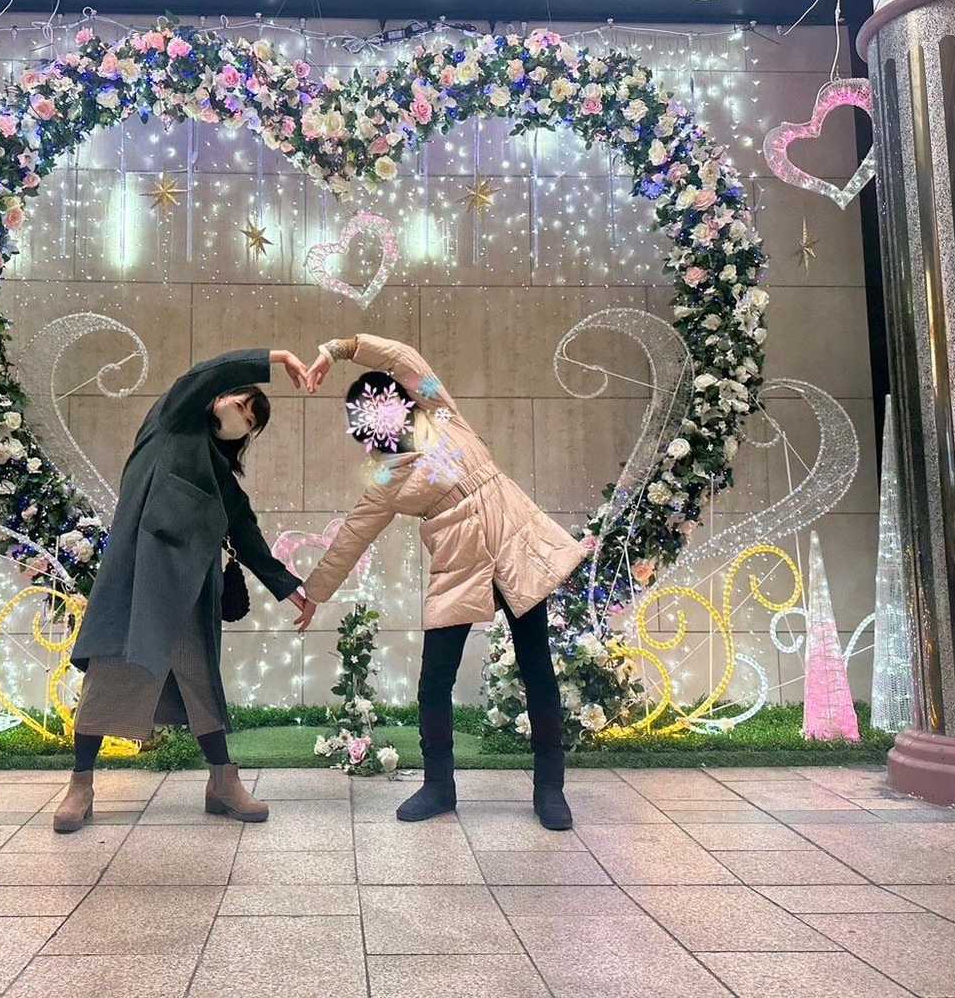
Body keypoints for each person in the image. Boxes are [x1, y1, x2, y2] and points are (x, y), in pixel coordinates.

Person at [295, 334, 587, 830]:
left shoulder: (441, 411)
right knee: (434, 680)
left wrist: (340, 349)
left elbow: (402, 357)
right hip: (460, 569)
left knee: (537, 668)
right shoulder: (387, 480)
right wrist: (314, 593)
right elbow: (351, 536)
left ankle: (550, 787)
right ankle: (438, 786)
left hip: (517, 548)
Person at [52, 348, 314, 832]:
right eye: (241, 403)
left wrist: (287, 587)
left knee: (201, 684)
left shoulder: (220, 474)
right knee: (109, 678)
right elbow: (200, 375)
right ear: (218, 396)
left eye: (251, 420)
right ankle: (80, 785)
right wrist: (275, 358)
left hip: (191, 593)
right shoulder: (172, 421)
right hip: (136, 584)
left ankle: (223, 782)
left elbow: (246, 533)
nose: (241, 416)